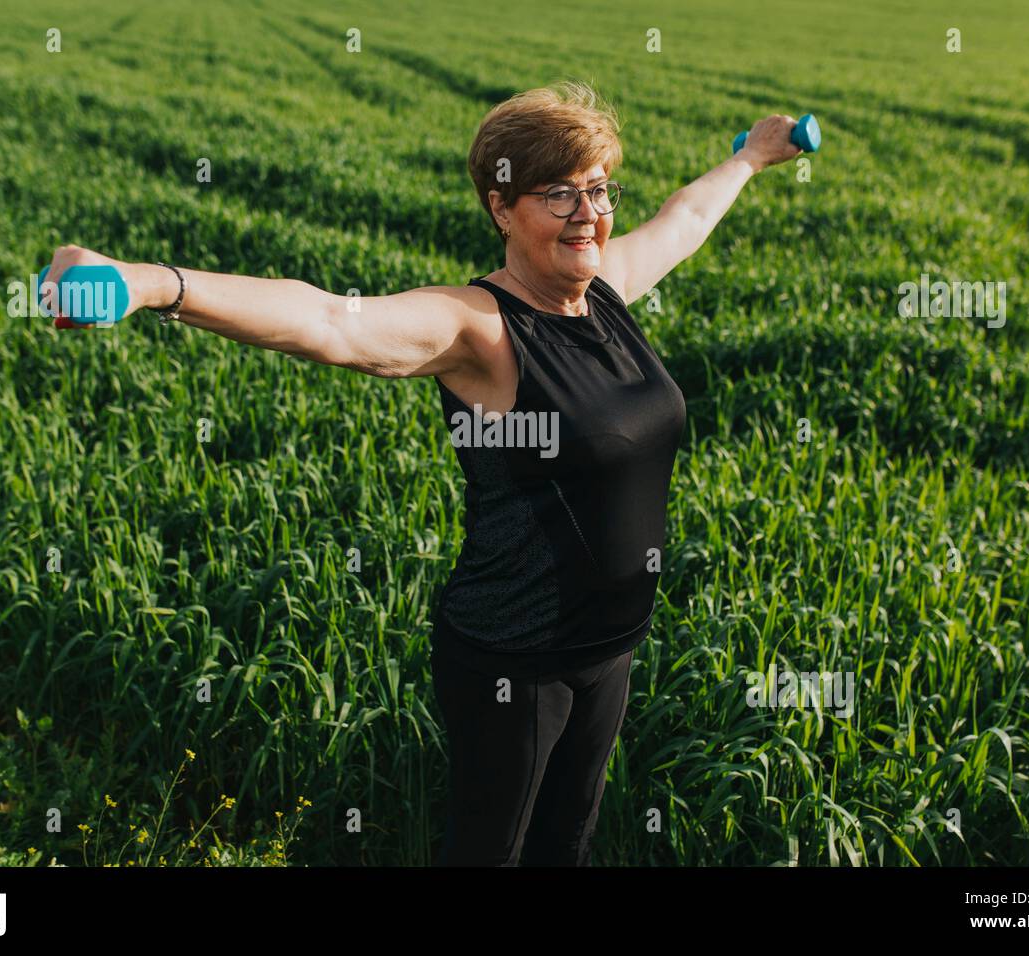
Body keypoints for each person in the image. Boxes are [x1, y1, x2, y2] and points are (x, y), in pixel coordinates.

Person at [41, 80, 803, 866]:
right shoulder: (478, 329)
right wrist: (150, 284)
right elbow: (330, 321)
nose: (589, 212)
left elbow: (686, 217)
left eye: (600, 189)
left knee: (568, 843)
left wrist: (749, 158)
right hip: (516, 659)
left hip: (609, 647)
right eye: (559, 193)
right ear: (502, 208)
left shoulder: (602, 293)